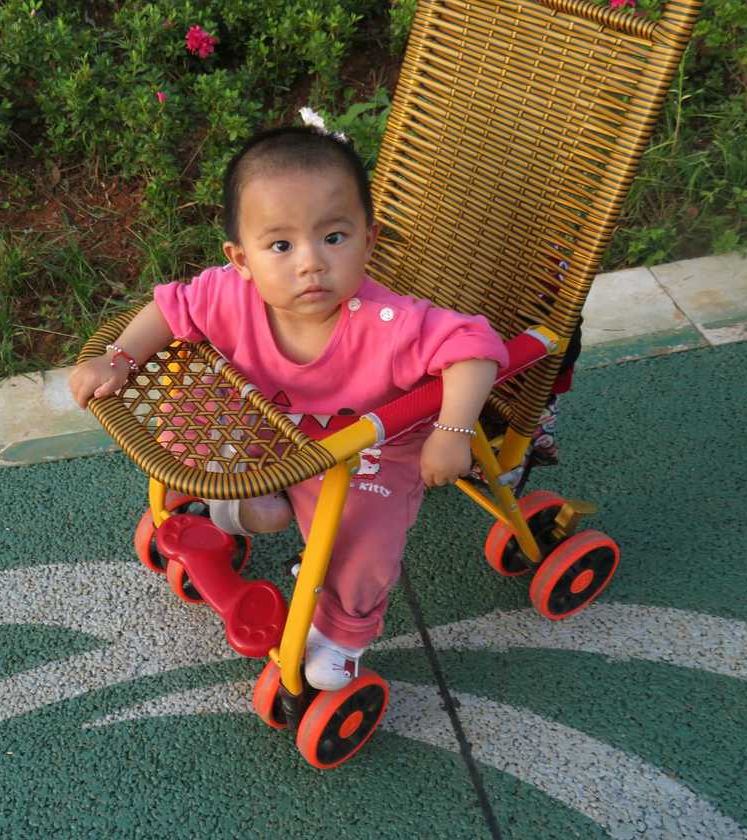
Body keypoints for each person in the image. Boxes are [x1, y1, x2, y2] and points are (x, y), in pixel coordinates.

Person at [69, 119, 509, 691]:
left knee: (361, 538)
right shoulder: (232, 293)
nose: (311, 263)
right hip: (275, 431)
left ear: (368, 240)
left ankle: (343, 630)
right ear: (242, 257)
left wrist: (452, 429)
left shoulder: (391, 325)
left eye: (334, 238)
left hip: (368, 448)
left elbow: (475, 346)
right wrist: (120, 358)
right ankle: (256, 503)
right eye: (281, 245)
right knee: (194, 405)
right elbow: (170, 309)